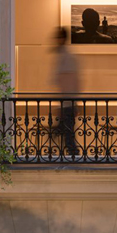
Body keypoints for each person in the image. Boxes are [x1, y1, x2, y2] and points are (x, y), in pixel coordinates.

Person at [54, 27, 80, 156]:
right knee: (66, 133)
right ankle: (72, 155)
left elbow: (71, 81)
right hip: (66, 102)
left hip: (68, 102)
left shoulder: (67, 57)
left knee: (67, 134)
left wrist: (72, 102)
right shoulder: (64, 56)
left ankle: (74, 156)